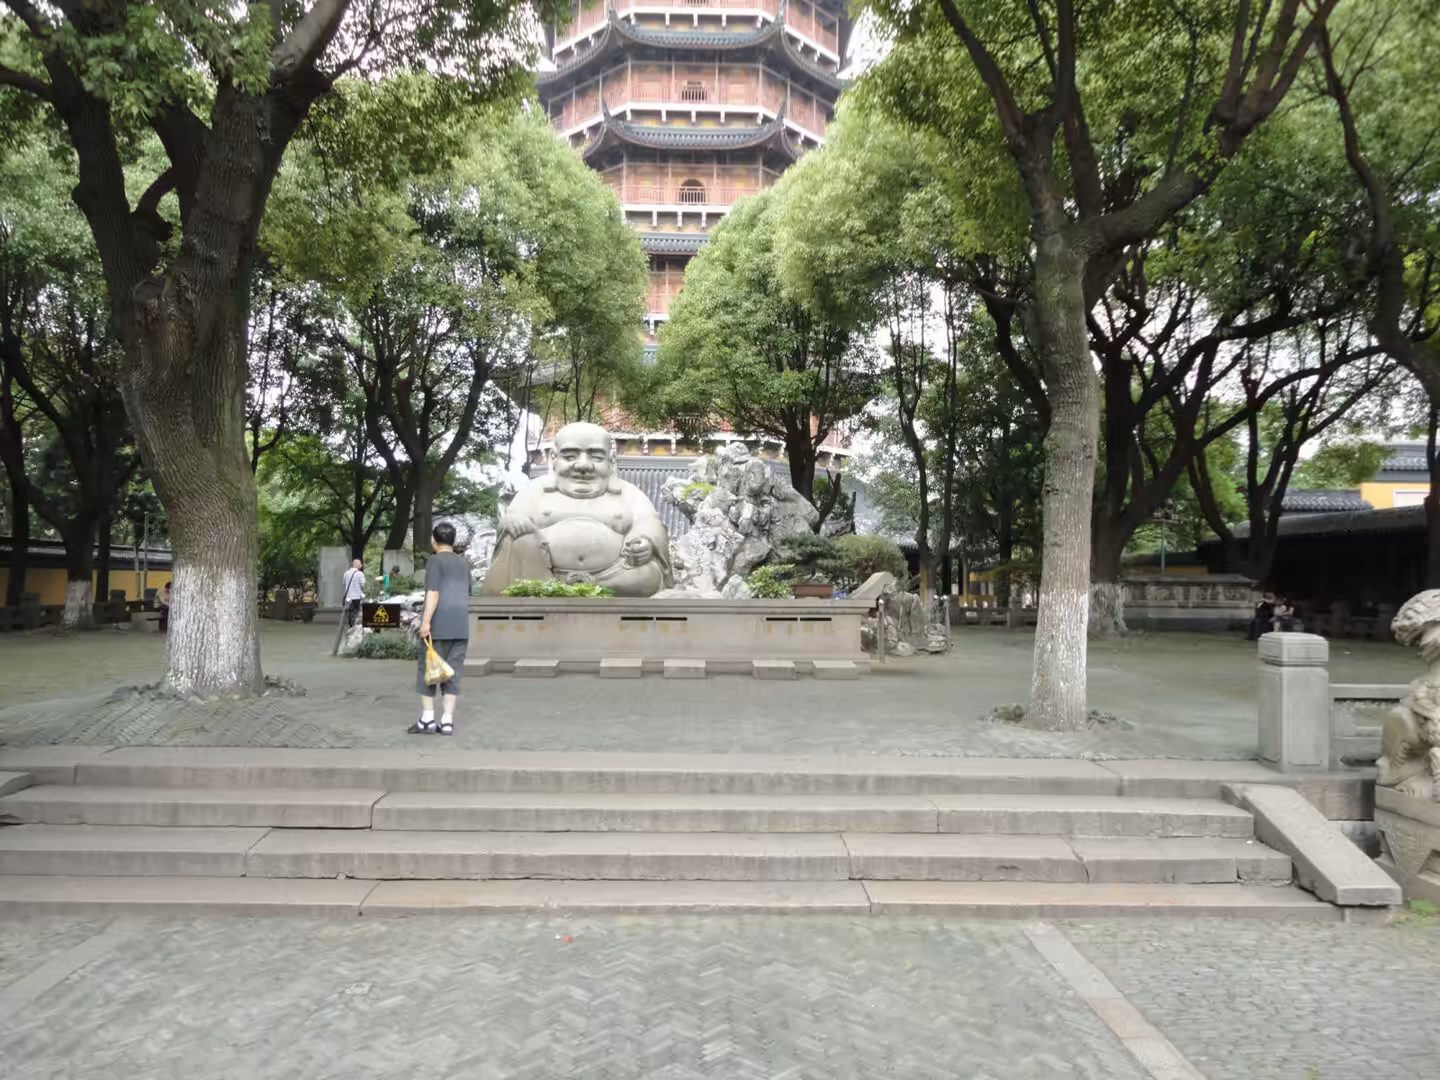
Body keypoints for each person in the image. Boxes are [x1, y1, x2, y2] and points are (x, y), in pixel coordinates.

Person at [411, 522, 471, 736]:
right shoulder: (464, 564)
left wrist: (426, 622)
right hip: (461, 627)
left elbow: (433, 593)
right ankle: (447, 721)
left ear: (434, 541)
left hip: (438, 626)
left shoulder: (434, 562)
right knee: (452, 674)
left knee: (429, 670)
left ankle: (427, 719)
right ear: (453, 541)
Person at [342, 558, 365, 627]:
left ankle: (350, 623)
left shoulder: (346, 573)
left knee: (350, 610)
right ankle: (356, 624)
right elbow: (363, 584)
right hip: (357, 596)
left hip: (348, 596)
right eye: (360, 563)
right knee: (357, 610)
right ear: (357, 565)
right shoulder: (360, 574)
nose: (361, 565)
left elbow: (343, 583)